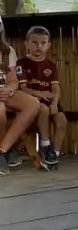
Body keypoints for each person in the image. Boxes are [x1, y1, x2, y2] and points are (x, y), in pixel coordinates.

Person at [0, 17, 44, 174]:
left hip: (4, 91)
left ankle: (3, 150)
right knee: (0, 111)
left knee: (32, 104)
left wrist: (10, 90)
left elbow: (13, 80)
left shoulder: (7, 51)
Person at [18, 25, 67, 157]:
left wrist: (54, 104)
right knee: (43, 109)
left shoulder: (51, 65)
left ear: (48, 45)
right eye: (34, 43)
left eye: (43, 43)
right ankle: (45, 144)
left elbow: (56, 88)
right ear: (26, 44)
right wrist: (41, 94)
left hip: (50, 102)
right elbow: (23, 88)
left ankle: (54, 154)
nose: (39, 46)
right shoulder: (21, 63)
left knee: (61, 120)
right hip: (33, 103)